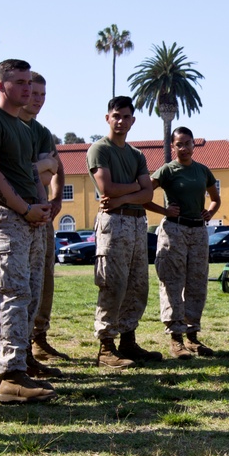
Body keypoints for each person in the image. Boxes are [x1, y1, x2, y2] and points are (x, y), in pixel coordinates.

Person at [0, 59, 56, 404]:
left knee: (28, 295)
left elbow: (30, 173)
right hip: (5, 219)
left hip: (30, 221)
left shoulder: (21, 128)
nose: (26, 88)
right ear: (1, 86)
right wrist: (24, 207)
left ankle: (18, 365)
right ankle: (10, 375)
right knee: (11, 295)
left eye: (28, 82)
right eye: (19, 82)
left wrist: (41, 206)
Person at [86, 96, 162, 367]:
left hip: (136, 222)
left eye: (126, 116)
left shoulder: (136, 155)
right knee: (112, 284)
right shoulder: (100, 149)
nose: (120, 121)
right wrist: (133, 188)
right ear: (108, 118)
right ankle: (106, 347)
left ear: (133, 120)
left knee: (137, 284)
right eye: (116, 115)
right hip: (113, 222)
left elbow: (148, 193)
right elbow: (107, 188)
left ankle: (128, 341)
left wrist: (126, 192)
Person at [145, 126, 221, 359]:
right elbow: (143, 194)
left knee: (197, 283)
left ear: (193, 145)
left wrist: (209, 211)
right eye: (179, 144)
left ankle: (192, 337)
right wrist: (163, 210)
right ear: (172, 146)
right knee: (173, 282)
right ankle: (175, 339)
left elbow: (215, 199)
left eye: (188, 143)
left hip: (198, 231)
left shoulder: (202, 171)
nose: (184, 148)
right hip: (174, 229)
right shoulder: (167, 170)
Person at [23, 71, 70, 363]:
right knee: (19, 284)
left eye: (42, 95)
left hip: (42, 215)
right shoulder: (5, 124)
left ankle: (39, 338)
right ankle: (19, 347)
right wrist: (41, 166)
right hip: (16, 213)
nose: (37, 100)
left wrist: (55, 199)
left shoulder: (41, 131)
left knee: (44, 280)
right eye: (33, 93)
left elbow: (58, 168)